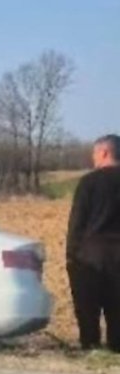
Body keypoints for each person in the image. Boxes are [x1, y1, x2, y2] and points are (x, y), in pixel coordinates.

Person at [66, 134, 120, 351]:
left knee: (88, 312)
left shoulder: (89, 183)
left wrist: (71, 256)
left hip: (90, 257)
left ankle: (90, 348)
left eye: (95, 153)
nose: (93, 158)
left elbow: (77, 223)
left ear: (105, 152)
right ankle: (116, 349)